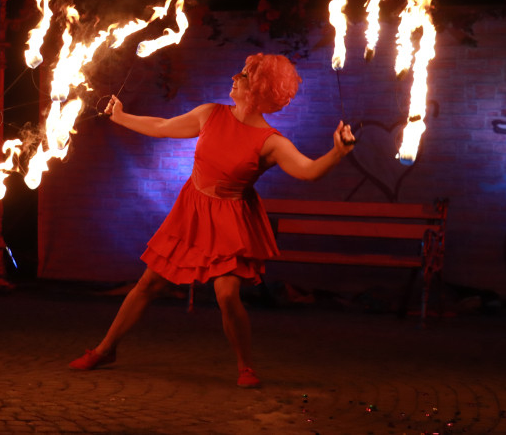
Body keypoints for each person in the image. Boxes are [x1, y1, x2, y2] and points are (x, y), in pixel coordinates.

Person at [69, 53, 355, 388]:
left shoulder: (271, 142)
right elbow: (162, 128)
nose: (235, 76)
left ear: (258, 90)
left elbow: (307, 171)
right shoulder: (211, 114)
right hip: (191, 212)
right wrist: (119, 117)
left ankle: (245, 367)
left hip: (230, 219)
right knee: (148, 284)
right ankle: (106, 349)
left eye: (244, 75)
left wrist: (337, 152)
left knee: (226, 295)